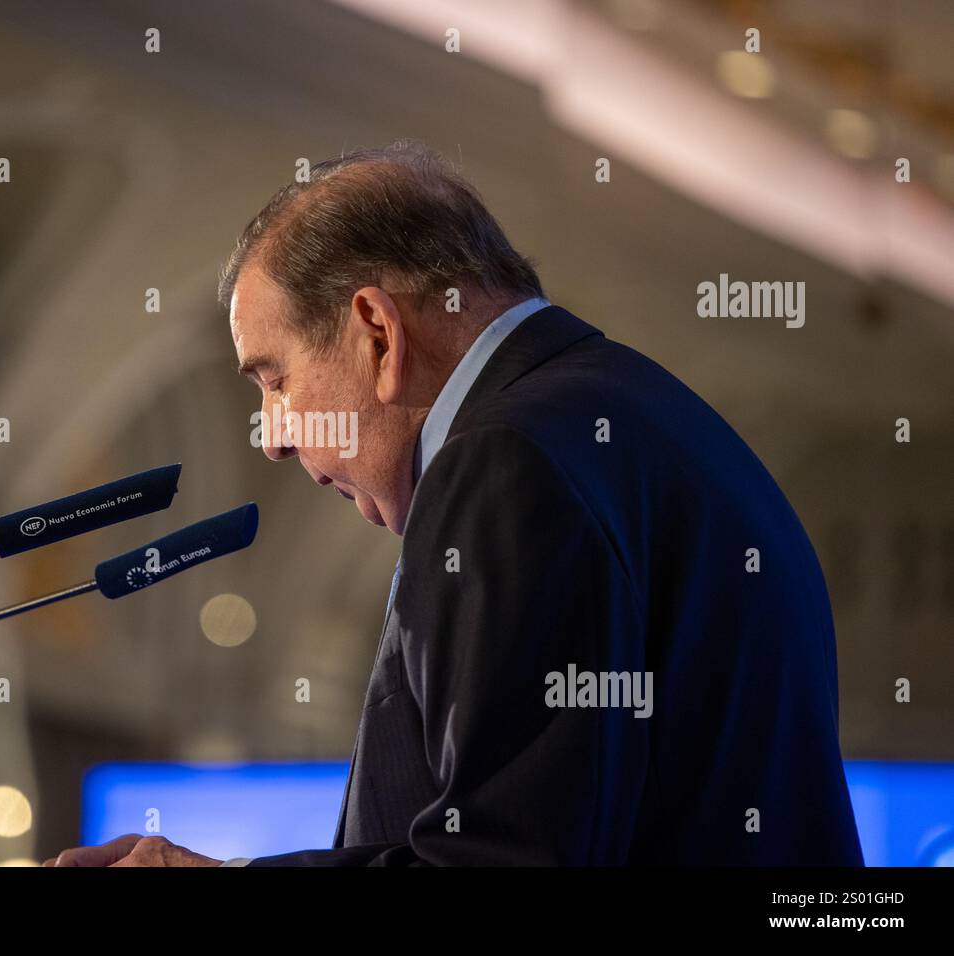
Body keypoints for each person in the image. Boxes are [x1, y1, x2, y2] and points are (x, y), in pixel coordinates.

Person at [48, 140, 862, 867]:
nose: (272, 437)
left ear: (376, 332)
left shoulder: (509, 462)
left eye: (275, 380)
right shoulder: (631, 422)